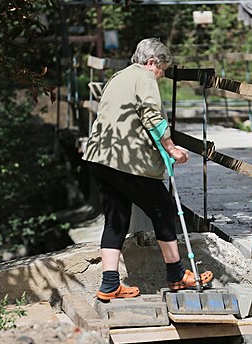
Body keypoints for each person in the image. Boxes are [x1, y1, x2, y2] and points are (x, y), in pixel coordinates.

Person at [82, 38, 213, 300]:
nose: (162, 75)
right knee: (163, 209)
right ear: (150, 62)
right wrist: (171, 147)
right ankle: (176, 274)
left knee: (116, 220)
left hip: (100, 158)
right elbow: (151, 114)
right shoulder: (144, 77)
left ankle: (109, 285)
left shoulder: (118, 77)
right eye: (161, 69)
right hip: (128, 161)